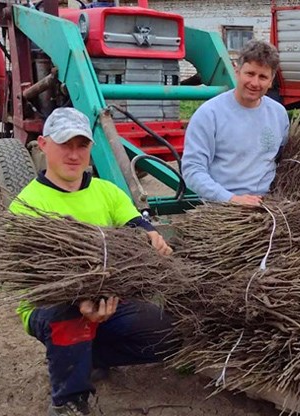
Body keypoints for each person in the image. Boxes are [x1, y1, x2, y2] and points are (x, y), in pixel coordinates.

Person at [9, 107, 175, 416]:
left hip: (108, 296)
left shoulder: (107, 191)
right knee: (70, 318)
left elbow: (134, 225)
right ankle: (69, 401)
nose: (73, 154)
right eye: (64, 145)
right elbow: (37, 280)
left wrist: (151, 235)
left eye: (81, 145)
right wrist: (81, 301)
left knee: (171, 333)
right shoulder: (28, 205)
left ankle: (90, 355)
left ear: (91, 148)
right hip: (52, 302)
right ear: (43, 145)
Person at [182, 40, 300, 206]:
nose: (255, 83)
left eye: (263, 77)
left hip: (268, 204)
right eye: (250, 74)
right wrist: (231, 198)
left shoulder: (278, 114)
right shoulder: (209, 114)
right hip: (222, 207)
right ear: (237, 71)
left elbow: (283, 162)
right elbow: (192, 171)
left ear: (271, 80)